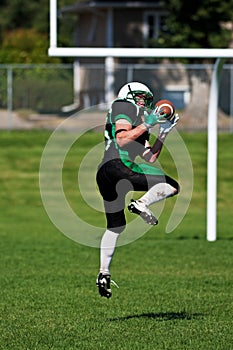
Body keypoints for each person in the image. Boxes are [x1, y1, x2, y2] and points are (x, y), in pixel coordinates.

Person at [96, 82, 180, 298]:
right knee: (171, 185)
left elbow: (150, 157)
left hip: (105, 174)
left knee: (115, 227)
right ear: (129, 95)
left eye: (146, 98)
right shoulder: (124, 106)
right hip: (117, 166)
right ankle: (141, 204)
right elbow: (122, 140)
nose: (144, 101)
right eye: (140, 96)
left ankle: (103, 273)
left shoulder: (138, 123)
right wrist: (149, 123)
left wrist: (163, 132)